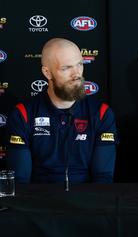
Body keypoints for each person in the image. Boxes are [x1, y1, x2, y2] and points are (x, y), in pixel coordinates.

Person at [6, 38, 117, 183]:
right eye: (66, 68)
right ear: (47, 73)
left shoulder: (101, 113)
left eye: (79, 65)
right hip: (38, 200)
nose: (76, 74)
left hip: (87, 200)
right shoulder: (23, 114)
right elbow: (20, 181)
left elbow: (103, 178)